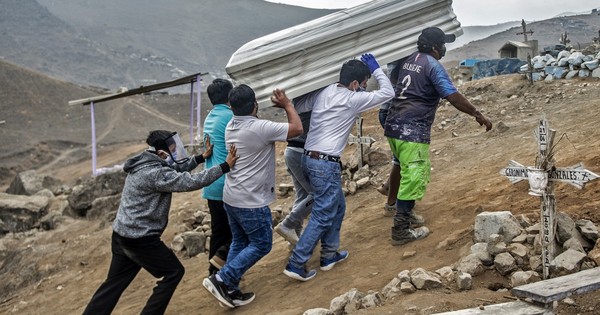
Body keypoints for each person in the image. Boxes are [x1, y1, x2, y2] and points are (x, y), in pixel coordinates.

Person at [83, 130, 238, 315]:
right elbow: (189, 182)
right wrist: (224, 166)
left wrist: (199, 158)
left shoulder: (146, 161)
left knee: (113, 284)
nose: (175, 152)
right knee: (174, 272)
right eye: (172, 149)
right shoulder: (155, 173)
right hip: (140, 239)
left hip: (122, 234)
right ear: (162, 153)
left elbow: (173, 171)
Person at [283, 54, 394, 281]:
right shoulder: (352, 99)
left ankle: (329, 255)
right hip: (324, 163)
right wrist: (377, 70)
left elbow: (300, 104)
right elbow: (388, 93)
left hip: (310, 158)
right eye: (362, 84)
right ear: (354, 84)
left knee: (338, 206)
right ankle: (296, 263)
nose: (364, 88)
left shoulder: (326, 91)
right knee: (323, 214)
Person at [384, 27, 492, 246]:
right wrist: (477, 113)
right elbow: (451, 95)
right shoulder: (432, 65)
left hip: (393, 126)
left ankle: (405, 211)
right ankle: (401, 229)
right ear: (435, 47)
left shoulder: (407, 60)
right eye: (443, 44)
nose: (444, 48)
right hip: (412, 130)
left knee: (405, 170)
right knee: (414, 176)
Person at [202, 85, 302, 308]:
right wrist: (286, 104)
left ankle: (230, 288)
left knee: (240, 241)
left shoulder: (230, 125)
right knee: (262, 244)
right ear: (254, 105)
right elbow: (296, 128)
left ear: (232, 106)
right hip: (250, 201)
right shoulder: (259, 127)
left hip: (232, 196)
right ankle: (222, 279)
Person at [274, 90, 324, 246]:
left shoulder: (297, 100)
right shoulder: (312, 99)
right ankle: (288, 225)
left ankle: (294, 237)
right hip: (301, 152)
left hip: (292, 152)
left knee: (303, 196)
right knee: (318, 194)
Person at [202, 78, 234, 275]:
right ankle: (225, 272)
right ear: (230, 96)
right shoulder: (231, 116)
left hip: (211, 182)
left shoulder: (210, 117)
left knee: (219, 232)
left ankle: (213, 273)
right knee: (238, 231)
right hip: (227, 182)